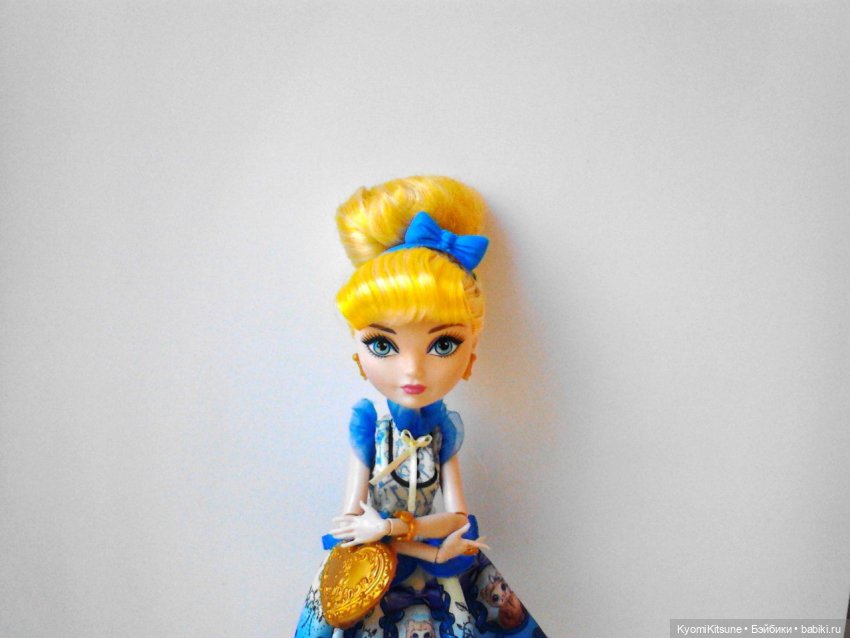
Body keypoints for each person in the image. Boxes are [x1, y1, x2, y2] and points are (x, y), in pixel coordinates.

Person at [293, 176, 548, 638]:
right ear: (358, 354)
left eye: (443, 344)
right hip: (368, 573)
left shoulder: (443, 432)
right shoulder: (369, 428)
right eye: (383, 345)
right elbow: (351, 520)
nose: (412, 370)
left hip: (431, 566)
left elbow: (458, 518)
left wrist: (394, 530)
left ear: (470, 357)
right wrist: (391, 537)